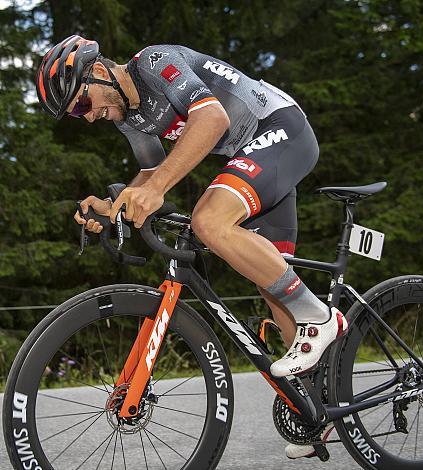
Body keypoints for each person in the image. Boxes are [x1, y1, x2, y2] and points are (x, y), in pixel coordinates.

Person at [36, 35, 347, 459]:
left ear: (99, 72)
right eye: (76, 115)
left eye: (81, 104)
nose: (86, 118)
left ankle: (320, 317)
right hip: (251, 153)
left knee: (208, 221)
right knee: (271, 281)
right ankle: (317, 411)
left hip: (280, 129)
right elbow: (150, 173)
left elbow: (212, 119)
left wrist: (159, 187)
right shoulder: (130, 118)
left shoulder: (155, 63)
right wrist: (113, 210)